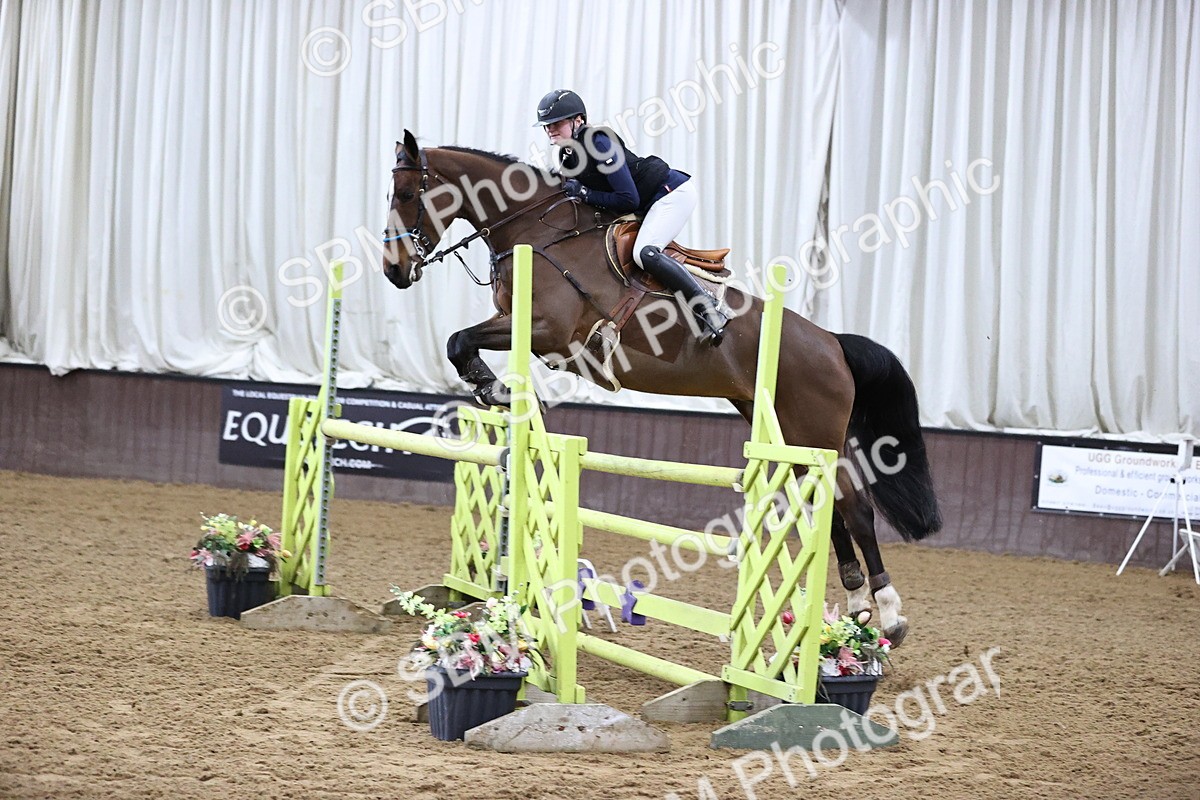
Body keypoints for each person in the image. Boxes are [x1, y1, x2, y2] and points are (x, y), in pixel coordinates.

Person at [535, 89, 729, 344]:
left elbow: (628, 199)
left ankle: (710, 310)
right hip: (645, 203)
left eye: (557, 123)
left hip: (670, 194)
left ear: (578, 120)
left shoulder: (598, 142)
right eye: (547, 125)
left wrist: (584, 192)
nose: (550, 129)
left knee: (644, 252)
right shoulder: (567, 155)